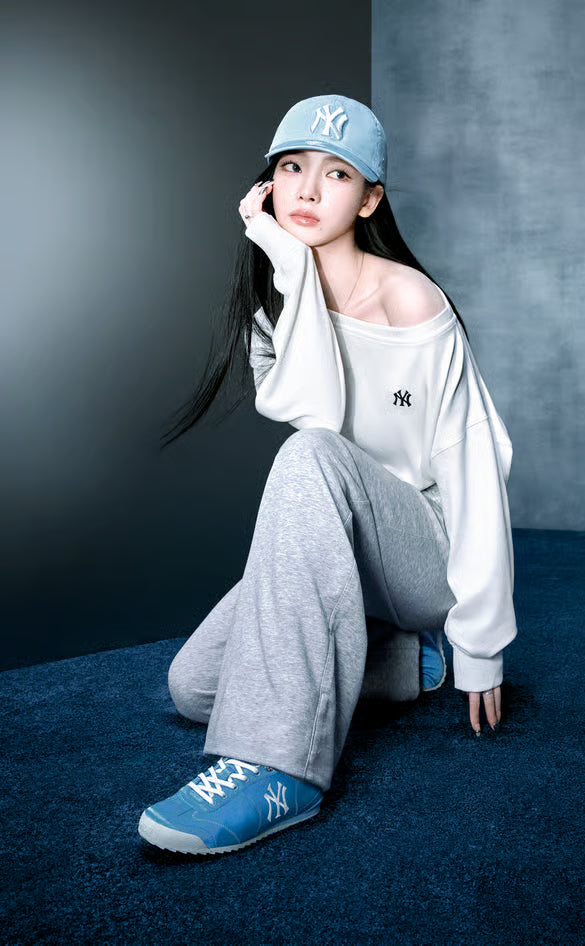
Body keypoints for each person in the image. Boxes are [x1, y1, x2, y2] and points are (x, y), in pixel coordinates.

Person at [138, 93, 517, 856]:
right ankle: (406, 662)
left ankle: (280, 773)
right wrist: (289, 266)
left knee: (308, 458)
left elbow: (473, 468)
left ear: (369, 198)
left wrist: (481, 643)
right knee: (194, 686)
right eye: (292, 168)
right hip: (340, 549)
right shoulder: (275, 309)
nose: (308, 190)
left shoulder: (410, 300)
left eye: (337, 174)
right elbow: (318, 408)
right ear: (267, 184)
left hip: (424, 556)